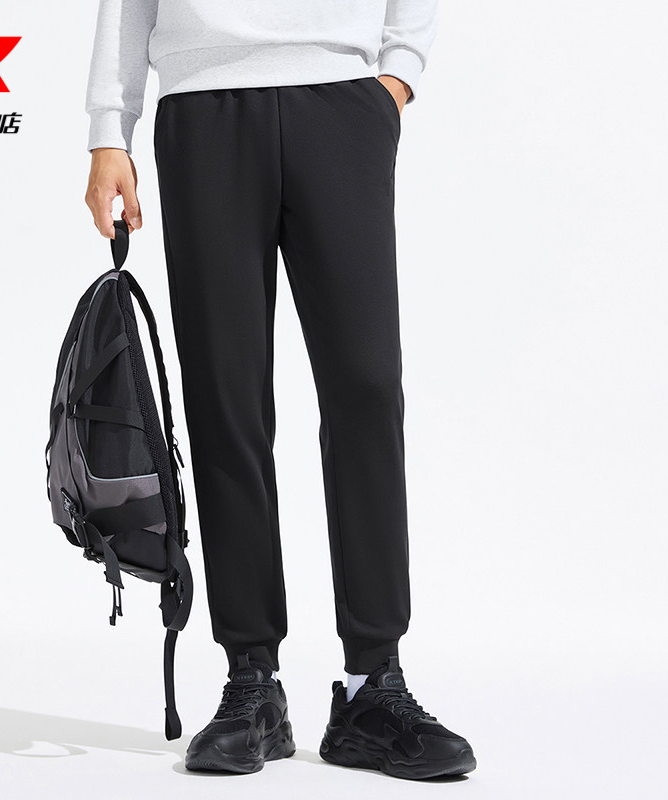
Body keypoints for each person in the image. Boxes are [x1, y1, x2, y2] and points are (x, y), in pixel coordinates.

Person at [84, 0, 476, 780]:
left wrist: (397, 74)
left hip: (342, 100)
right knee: (225, 398)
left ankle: (372, 684)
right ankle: (251, 679)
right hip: (203, 108)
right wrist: (108, 128)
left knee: (367, 389)